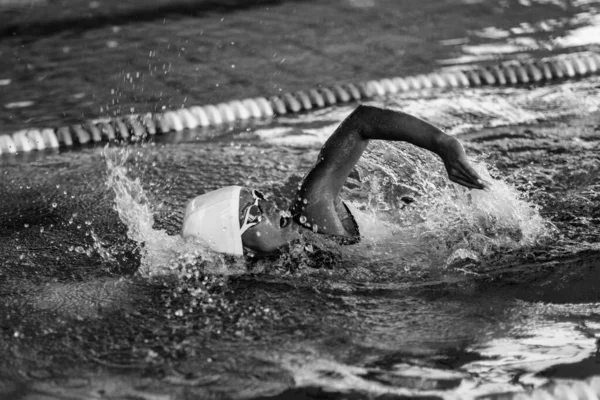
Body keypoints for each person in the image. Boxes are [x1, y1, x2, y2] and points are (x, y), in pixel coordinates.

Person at [181, 105, 488, 257]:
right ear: (241, 247)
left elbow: (361, 121)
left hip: (460, 238)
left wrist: (444, 144)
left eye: (258, 197)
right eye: (252, 213)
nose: (269, 205)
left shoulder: (312, 212)